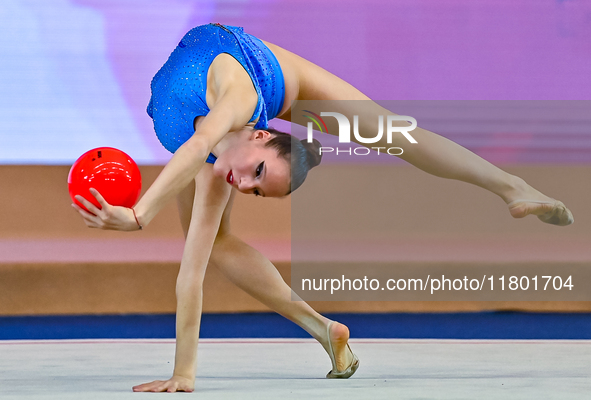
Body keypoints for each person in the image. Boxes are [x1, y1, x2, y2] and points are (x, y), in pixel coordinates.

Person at [71, 23, 574, 393]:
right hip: (255, 72)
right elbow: (193, 254)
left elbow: (208, 153)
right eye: (258, 178)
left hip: (257, 111)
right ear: (263, 133)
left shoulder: (224, 150)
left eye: (253, 190)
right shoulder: (233, 106)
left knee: (392, 135)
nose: (240, 184)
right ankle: (323, 329)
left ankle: (512, 187)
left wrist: (140, 215)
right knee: (210, 245)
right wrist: (183, 372)